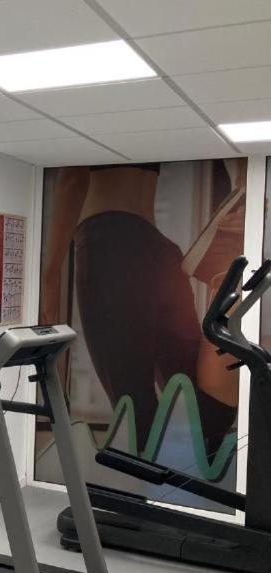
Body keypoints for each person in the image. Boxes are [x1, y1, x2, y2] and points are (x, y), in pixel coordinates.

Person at [40, 161, 244, 459]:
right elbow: (241, 166)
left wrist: (49, 279)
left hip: (109, 245)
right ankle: (189, 481)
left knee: (133, 410)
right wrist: (245, 194)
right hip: (159, 253)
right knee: (198, 405)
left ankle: (161, 485)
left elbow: (72, 177)